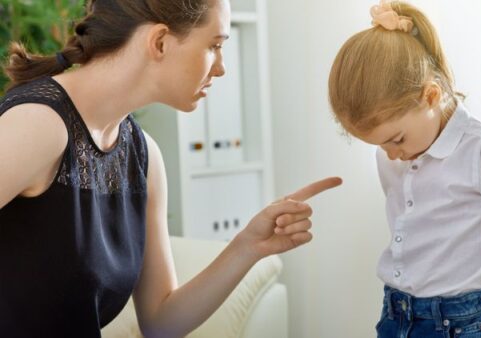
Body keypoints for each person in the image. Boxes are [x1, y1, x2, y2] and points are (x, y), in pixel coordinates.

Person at [0, 0, 342, 336]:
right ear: (159, 42)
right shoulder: (39, 125)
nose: (221, 67)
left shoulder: (143, 155)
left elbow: (160, 321)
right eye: (214, 45)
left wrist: (247, 246)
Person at [328, 1, 481, 337]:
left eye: (396, 139)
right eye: (379, 145)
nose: (391, 155)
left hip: (469, 323)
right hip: (397, 315)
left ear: (431, 96)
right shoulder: (394, 156)